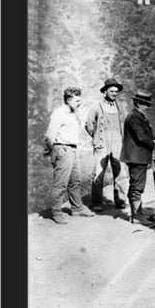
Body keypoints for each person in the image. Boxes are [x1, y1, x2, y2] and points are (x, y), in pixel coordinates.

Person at [43, 86, 94, 224]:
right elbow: (49, 136)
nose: (80, 103)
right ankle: (56, 212)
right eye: (77, 100)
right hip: (63, 150)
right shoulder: (59, 113)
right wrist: (55, 151)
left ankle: (77, 208)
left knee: (75, 181)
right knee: (60, 184)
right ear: (68, 100)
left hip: (72, 150)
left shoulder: (73, 113)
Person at [85, 77, 129, 211]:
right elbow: (89, 124)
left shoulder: (121, 106)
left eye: (116, 91)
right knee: (98, 172)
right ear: (105, 91)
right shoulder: (96, 106)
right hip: (102, 142)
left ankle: (121, 200)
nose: (114, 94)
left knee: (120, 172)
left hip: (118, 142)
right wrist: (97, 137)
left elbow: (125, 123)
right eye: (112, 91)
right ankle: (97, 202)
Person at [120, 89, 155, 224]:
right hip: (137, 156)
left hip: (138, 156)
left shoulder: (137, 116)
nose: (148, 107)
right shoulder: (135, 117)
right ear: (139, 103)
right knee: (137, 186)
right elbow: (141, 137)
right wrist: (152, 144)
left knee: (136, 184)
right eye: (146, 104)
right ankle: (137, 216)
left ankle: (137, 214)